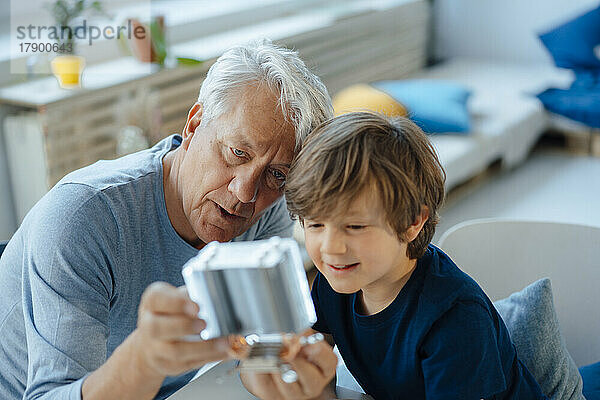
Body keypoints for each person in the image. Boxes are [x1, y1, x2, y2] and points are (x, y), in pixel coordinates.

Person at [0, 40, 337, 400]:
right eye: (237, 153)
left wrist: (294, 377)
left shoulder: (266, 213)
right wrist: (143, 360)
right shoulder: (82, 218)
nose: (245, 193)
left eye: (276, 175)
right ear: (194, 125)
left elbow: (259, 353)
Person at [285, 112, 548, 400]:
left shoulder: (454, 320)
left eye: (355, 226)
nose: (330, 247)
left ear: (413, 222)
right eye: (315, 225)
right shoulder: (337, 278)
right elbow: (300, 361)